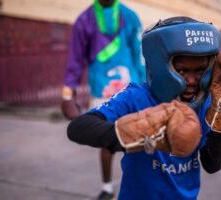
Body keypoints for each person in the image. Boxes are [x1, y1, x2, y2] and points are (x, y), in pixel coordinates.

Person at [67, 16, 221, 199]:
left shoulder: (205, 102)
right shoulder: (136, 97)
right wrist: (136, 133)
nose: (191, 80)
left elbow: (212, 164)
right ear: (159, 65)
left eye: (199, 70)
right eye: (182, 70)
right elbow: (78, 127)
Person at [61, 0, 145, 199]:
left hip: (131, 91)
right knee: (107, 141)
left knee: (138, 140)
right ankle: (107, 188)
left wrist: (146, 88)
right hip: (102, 91)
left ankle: (138, 188)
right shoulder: (84, 21)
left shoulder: (130, 16)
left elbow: (139, 54)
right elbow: (75, 60)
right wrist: (67, 95)